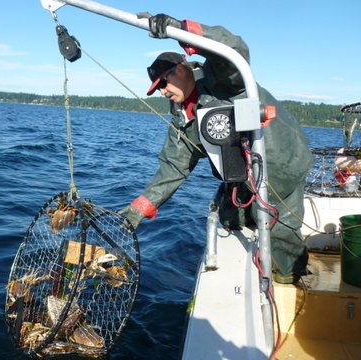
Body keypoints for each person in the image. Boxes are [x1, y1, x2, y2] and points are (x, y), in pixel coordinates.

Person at [119, 14, 314, 284]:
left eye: (164, 82)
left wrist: (184, 30)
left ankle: (290, 279)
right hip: (243, 174)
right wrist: (139, 208)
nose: (163, 91)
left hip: (282, 164)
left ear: (183, 68)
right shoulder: (182, 116)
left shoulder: (221, 80)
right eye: (157, 88)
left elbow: (235, 51)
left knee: (276, 227)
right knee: (230, 218)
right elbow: (174, 166)